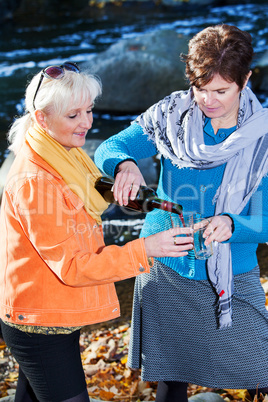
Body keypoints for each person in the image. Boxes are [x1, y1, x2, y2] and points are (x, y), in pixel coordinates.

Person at [0, 62, 193, 402]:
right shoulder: (35, 182)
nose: (87, 123)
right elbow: (75, 267)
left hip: (48, 310)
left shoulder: (60, 153)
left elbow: (92, 190)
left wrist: (146, 198)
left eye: (88, 110)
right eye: (73, 115)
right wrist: (145, 249)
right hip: (39, 323)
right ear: (43, 118)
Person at [95, 24, 268, 401]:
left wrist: (232, 224)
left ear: (246, 79)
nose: (208, 101)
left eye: (221, 91)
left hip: (232, 275)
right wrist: (124, 164)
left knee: (262, 368)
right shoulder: (170, 113)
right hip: (165, 267)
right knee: (172, 380)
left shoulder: (264, 138)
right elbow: (109, 146)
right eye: (201, 89)